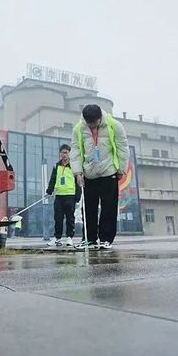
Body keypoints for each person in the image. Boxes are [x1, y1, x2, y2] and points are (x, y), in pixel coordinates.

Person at [70, 104, 129, 250]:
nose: (92, 126)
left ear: (100, 117)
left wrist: (121, 169)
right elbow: (75, 151)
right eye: (89, 123)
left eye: (94, 123)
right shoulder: (79, 128)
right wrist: (78, 172)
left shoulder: (114, 125)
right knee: (88, 208)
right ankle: (89, 239)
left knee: (109, 208)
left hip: (109, 172)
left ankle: (106, 239)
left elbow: (122, 148)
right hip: (89, 174)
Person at [45, 144, 82, 247]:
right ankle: (57, 237)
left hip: (70, 195)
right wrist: (49, 191)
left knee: (70, 218)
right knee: (58, 218)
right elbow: (53, 179)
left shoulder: (74, 166)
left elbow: (78, 183)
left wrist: (78, 196)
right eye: (62, 153)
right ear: (60, 154)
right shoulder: (57, 166)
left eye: (66, 153)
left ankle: (69, 237)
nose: (64, 155)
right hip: (59, 196)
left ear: (69, 154)